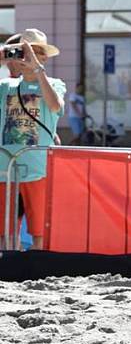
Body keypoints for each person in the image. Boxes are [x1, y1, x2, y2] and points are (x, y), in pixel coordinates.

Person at [0, 28, 66, 250]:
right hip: (5, 169)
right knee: (5, 232)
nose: (29, 56)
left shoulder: (54, 84)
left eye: (36, 51)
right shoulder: (6, 87)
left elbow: (55, 105)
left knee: (39, 231)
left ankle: (35, 267)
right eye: (24, 52)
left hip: (38, 169)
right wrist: (2, 58)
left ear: (45, 57)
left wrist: (38, 71)